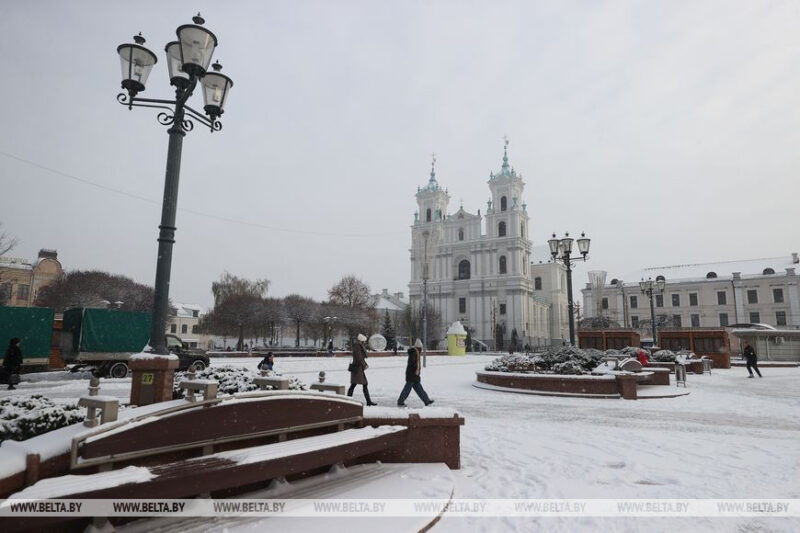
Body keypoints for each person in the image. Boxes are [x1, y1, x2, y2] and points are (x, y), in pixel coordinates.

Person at [397, 341, 434, 407]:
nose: (421, 349)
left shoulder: (416, 353)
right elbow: (412, 363)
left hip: (415, 375)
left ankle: (426, 401)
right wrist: (415, 369)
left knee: (420, 389)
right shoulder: (414, 353)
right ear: (418, 347)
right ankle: (400, 401)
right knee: (407, 389)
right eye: (421, 348)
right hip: (411, 375)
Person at [348, 334, 376, 405]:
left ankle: (368, 401)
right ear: (362, 341)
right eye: (364, 342)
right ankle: (348, 400)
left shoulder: (357, 346)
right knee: (359, 384)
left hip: (358, 368)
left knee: (357, 384)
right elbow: (359, 357)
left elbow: (360, 357)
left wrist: (364, 364)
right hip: (358, 368)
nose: (364, 343)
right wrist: (364, 364)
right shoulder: (357, 346)